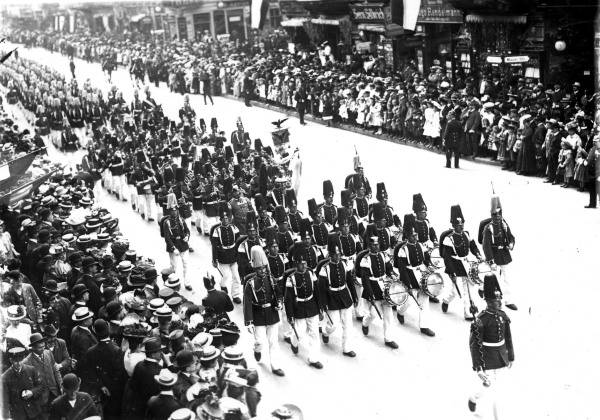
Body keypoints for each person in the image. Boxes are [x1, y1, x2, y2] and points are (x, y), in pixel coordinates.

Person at [468, 274, 515, 418]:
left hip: (501, 356)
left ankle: (474, 398)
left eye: (499, 298)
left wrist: (511, 356)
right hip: (487, 358)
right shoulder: (481, 320)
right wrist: (478, 367)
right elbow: (474, 345)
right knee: (492, 389)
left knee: (494, 389)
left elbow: (508, 337)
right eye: (495, 300)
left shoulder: (502, 315)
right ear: (488, 301)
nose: (499, 302)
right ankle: (476, 399)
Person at [243, 245, 285, 376]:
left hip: (272, 313)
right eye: (259, 269)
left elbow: (278, 294)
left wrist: (279, 302)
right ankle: (257, 350)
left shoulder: (271, 279)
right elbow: (247, 303)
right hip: (258, 316)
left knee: (273, 342)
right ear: (255, 269)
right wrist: (248, 321)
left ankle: (275, 366)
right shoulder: (250, 283)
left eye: (263, 268)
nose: (262, 271)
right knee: (259, 341)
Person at [394, 215, 436, 337]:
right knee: (409, 301)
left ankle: (424, 326)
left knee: (424, 300)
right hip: (410, 275)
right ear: (407, 236)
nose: (415, 237)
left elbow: (425, 259)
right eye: (413, 235)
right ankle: (400, 311)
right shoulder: (403, 249)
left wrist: (429, 266)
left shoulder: (420, 245)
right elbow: (402, 269)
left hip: (421, 273)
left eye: (416, 235)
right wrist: (408, 284)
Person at [284, 242, 324, 369]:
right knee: (299, 334)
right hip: (299, 308)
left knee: (314, 334)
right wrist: (290, 316)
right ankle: (294, 343)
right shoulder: (291, 278)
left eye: (305, 263)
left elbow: (317, 292)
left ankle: (313, 359)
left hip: (312, 306)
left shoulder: (311, 274)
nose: (304, 265)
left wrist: (321, 308)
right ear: (296, 264)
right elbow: (288, 299)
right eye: (301, 263)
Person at [316, 237, 357, 357]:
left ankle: (347, 348)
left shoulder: (345, 264)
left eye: (339, 254)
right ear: (330, 255)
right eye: (335, 255)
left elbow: (350, 282)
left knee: (348, 324)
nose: (337, 257)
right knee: (333, 325)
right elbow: (321, 289)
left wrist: (354, 297)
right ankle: (325, 332)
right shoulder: (325, 269)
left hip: (344, 296)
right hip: (331, 298)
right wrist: (322, 305)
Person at [441, 205, 483, 321]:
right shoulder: (449, 239)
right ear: (453, 226)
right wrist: (451, 273)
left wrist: (478, 254)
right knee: (454, 291)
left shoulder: (466, 234)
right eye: (459, 225)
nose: (461, 227)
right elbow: (447, 258)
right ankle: (446, 300)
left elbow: (473, 246)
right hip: (454, 265)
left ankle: (468, 312)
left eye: (462, 224)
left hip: (465, 263)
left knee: (468, 288)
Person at [359, 236, 398, 349]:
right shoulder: (365, 260)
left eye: (377, 245)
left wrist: (392, 274)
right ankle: (365, 323)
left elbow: (389, 268)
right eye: (373, 245)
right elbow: (365, 279)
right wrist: (370, 294)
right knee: (373, 314)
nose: (376, 247)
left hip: (385, 286)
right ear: (369, 246)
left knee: (388, 315)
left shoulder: (383, 255)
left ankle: (388, 338)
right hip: (373, 287)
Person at [85, 319, 126, 419]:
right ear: (108, 329)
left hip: (101, 391)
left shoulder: (91, 352)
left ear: (95, 331)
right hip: (117, 391)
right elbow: (120, 373)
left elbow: (90, 372)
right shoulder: (117, 350)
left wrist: (102, 386)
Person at [482, 195, 517, 311]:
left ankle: (509, 300)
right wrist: (491, 261)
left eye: (499, 214)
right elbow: (486, 246)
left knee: (508, 278)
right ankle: (497, 300)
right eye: (495, 215)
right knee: (494, 279)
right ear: (491, 215)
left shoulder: (504, 224)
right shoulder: (488, 228)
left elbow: (511, 236)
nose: (497, 217)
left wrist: (511, 243)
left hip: (504, 254)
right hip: (494, 255)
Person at [23, 333, 64, 416]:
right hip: (41, 399)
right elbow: (28, 384)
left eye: (43, 346)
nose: (43, 349)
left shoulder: (48, 353)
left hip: (55, 393)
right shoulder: (27, 362)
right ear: (33, 348)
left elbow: (56, 371)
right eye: (40, 347)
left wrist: (61, 385)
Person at [1, 347, 45, 420]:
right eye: (15, 361)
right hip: (19, 415)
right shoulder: (5, 377)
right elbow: (4, 401)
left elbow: (41, 386)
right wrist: (6, 417)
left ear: (24, 358)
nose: (19, 363)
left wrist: (32, 392)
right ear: (11, 360)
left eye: (20, 360)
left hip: (35, 411)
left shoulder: (31, 370)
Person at [210, 204, 242, 303]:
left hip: (233, 255)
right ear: (220, 219)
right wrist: (214, 260)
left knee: (236, 277)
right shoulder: (217, 231)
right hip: (223, 256)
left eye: (227, 218)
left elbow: (238, 242)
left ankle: (235, 295)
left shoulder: (234, 228)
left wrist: (239, 255)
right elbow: (214, 246)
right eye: (223, 218)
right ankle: (223, 285)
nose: (226, 220)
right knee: (226, 276)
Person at [162, 193, 191, 290]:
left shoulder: (181, 220)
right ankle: (175, 282)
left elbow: (187, 230)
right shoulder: (167, 222)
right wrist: (173, 248)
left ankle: (187, 283)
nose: (175, 212)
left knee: (186, 264)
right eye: (173, 211)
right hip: (174, 246)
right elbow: (167, 238)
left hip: (183, 245)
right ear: (170, 212)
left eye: (176, 210)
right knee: (174, 267)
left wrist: (187, 236)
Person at [584, 136, 600, 208]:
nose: (594, 142)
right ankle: (592, 203)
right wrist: (586, 161)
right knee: (592, 188)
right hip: (592, 170)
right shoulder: (593, 148)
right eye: (593, 141)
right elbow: (589, 158)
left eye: (596, 141)